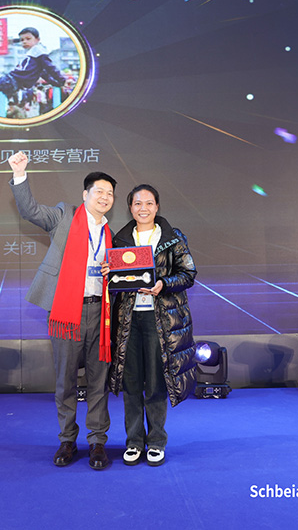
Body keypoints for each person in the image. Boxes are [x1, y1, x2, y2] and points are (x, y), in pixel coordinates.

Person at [8, 151, 117, 470]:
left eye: (110, 193)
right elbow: (29, 210)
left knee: (98, 382)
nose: (105, 197)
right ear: (85, 194)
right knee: (66, 381)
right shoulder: (63, 216)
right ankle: (67, 440)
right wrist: (19, 174)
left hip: (100, 315)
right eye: (99, 191)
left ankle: (97, 442)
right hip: (67, 313)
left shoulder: (110, 233)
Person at [104, 184, 197, 467]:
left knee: (156, 383)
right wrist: (109, 272)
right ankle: (134, 441)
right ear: (130, 208)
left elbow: (188, 273)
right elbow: (114, 281)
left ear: (157, 207)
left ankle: (156, 442)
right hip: (129, 320)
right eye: (137, 203)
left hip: (162, 321)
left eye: (148, 203)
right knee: (131, 383)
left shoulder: (172, 237)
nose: (143, 208)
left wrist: (163, 284)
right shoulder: (119, 240)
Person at [0, 27, 71, 98]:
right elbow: (44, 74)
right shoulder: (32, 55)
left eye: (28, 39)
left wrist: (62, 81)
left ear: (37, 40)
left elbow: (50, 68)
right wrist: (57, 83)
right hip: (13, 82)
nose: (24, 42)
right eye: (22, 40)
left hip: (12, 81)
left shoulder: (38, 51)